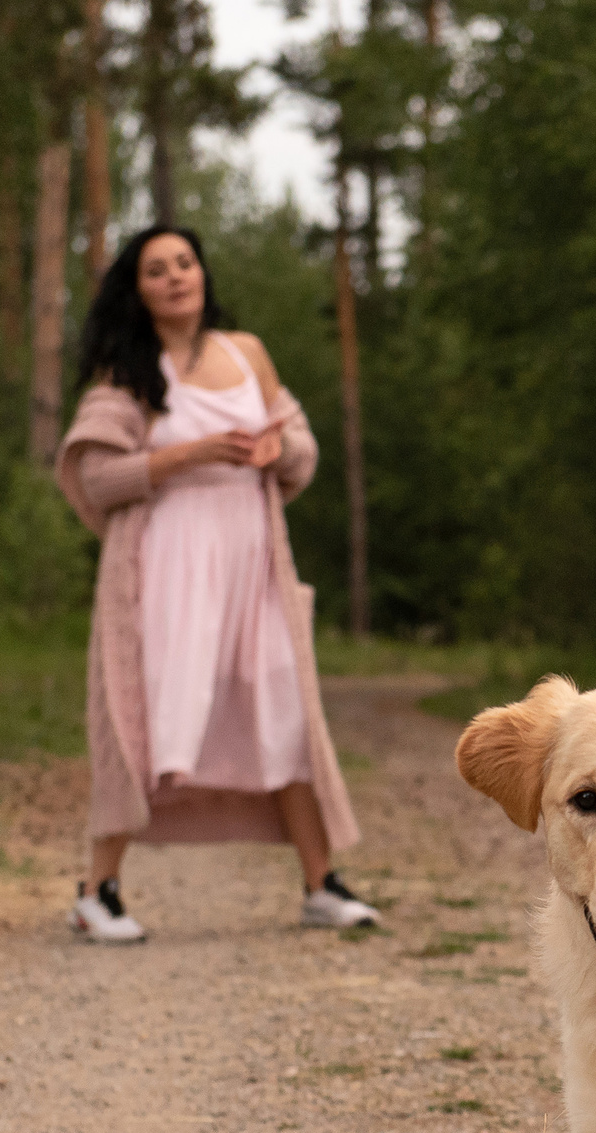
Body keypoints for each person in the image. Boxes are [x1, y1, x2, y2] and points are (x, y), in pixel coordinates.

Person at [53, 225, 379, 942]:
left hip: (252, 566)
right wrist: (187, 452)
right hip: (164, 573)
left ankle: (320, 885)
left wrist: (274, 447)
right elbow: (98, 478)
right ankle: (96, 890)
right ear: (135, 291)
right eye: (157, 269)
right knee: (144, 722)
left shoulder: (246, 352)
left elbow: (302, 449)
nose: (176, 276)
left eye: (185, 262)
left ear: (202, 273)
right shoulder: (127, 371)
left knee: (283, 711)